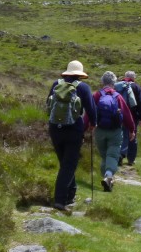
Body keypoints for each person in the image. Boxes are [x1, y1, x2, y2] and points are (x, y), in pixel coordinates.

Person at [47, 60, 96, 212]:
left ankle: (70, 194)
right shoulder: (83, 87)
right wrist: (93, 124)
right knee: (69, 165)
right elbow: (91, 108)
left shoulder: (56, 84)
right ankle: (60, 200)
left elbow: (48, 104)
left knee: (65, 163)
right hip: (74, 130)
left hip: (55, 129)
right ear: (80, 74)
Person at [92, 71, 136, 192]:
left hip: (100, 131)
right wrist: (132, 130)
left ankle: (107, 178)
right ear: (114, 83)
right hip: (115, 131)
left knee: (104, 156)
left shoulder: (97, 95)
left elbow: (89, 113)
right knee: (112, 155)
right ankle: (108, 176)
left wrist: (84, 128)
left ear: (102, 82)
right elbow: (127, 115)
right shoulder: (118, 96)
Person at [114, 70, 141, 166]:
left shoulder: (118, 86)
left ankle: (119, 155)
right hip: (132, 116)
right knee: (132, 136)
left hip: (119, 115)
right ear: (134, 78)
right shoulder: (136, 87)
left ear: (125, 76)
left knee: (119, 135)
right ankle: (131, 159)